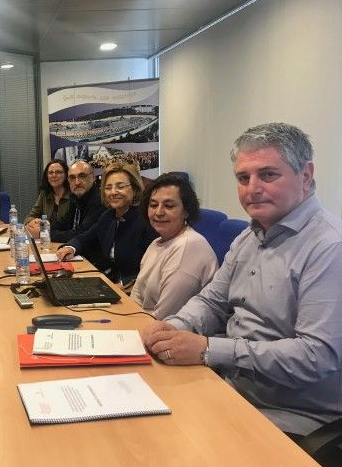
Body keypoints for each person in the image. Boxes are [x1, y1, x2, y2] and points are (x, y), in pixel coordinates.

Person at [143, 123, 342, 438]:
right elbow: (212, 301)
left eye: (268, 175)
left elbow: (316, 356)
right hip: (229, 387)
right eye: (243, 178)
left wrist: (210, 349)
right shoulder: (249, 237)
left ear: (306, 175)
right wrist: (175, 325)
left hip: (291, 416)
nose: (252, 189)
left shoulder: (329, 247)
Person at [56, 162, 157, 288]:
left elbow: (153, 269)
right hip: (109, 282)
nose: (113, 192)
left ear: (135, 189)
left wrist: (121, 285)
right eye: (108, 188)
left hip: (134, 289)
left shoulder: (147, 221)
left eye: (120, 186)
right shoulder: (108, 216)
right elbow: (86, 237)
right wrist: (71, 248)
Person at [130, 174, 217, 319]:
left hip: (174, 328)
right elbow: (137, 295)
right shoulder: (156, 243)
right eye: (153, 205)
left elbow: (165, 316)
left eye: (169, 206)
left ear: (186, 211)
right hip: (146, 321)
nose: (158, 212)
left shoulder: (190, 246)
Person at [32, 160, 107, 267]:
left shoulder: (99, 200)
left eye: (82, 176)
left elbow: (80, 233)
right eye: (72, 178)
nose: (77, 182)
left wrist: (44, 233)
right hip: (78, 255)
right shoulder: (76, 197)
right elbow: (64, 223)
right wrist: (43, 228)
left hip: (93, 261)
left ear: (93, 177)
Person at [23, 159, 71, 227]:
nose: (54, 175)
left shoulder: (73, 195)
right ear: (47, 176)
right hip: (45, 233)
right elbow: (30, 217)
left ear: (66, 175)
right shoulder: (45, 194)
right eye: (50, 172)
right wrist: (34, 221)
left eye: (58, 172)